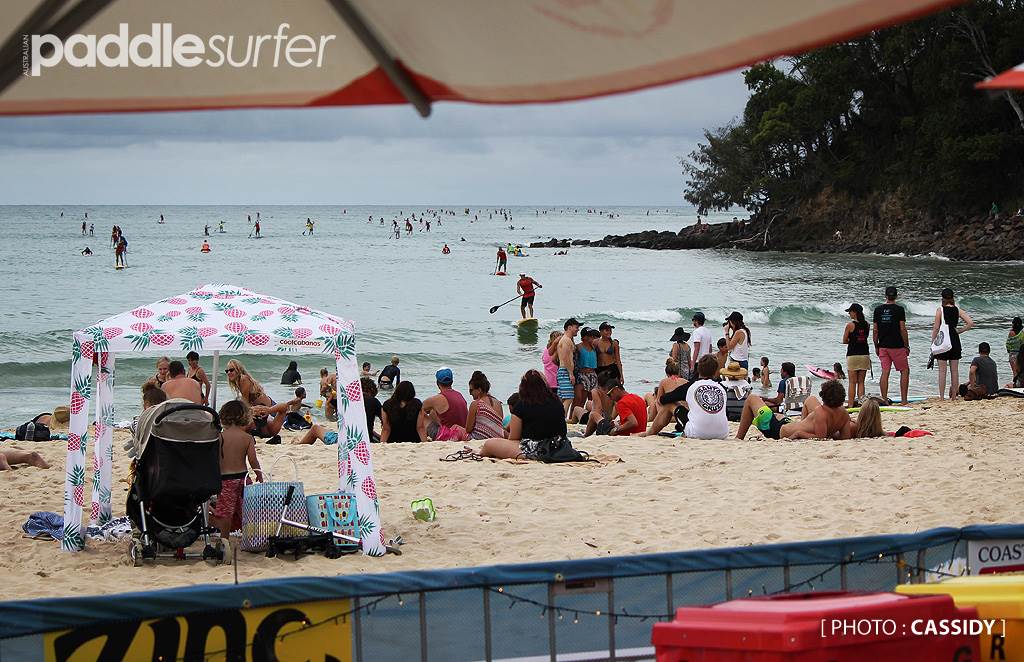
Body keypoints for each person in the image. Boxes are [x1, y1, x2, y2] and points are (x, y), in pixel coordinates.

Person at [479, 370, 567, 459]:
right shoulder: (557, 402)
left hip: (537, 449)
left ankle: (480, 453)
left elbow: (514, 438)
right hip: (560, 446)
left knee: (489, 444)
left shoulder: (521, 405)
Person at [210, 400, 262, 542]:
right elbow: (253, 460)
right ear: (245, 417)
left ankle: (225, 539)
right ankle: (251, 538)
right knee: (246, 509)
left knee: (225, 513)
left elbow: (214, 460)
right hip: (244, 479)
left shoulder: (219, 437)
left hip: (226, 480)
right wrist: (259, 474)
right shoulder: (247, 438)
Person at [737, 380, 852, 440]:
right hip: (787, 424)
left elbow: (820, 438)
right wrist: (831, 432)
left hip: (776, 431)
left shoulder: (821, 412)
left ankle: (739, 438)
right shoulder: (844, 415)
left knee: (751, 398)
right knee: (810, 399)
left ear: (823, 396)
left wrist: (800, 433)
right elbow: (845, 437)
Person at [931, 288, 974, 400]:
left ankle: (941, 397)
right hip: (955, 341)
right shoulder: (957, 310)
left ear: (942, 298)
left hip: (943, 342)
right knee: (954, 371)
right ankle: (954, 396)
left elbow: (936, 328)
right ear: (952, 297)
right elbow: (970, 323)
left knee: (942, 371)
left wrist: (933, 342)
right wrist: (959, 331)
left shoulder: (940, 310)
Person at [873, 286, 911, 405]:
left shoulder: (878, 310)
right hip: (897, 345)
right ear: (896, 296)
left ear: (885, 296)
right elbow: (902, 328)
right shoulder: (899, 309)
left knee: (885, 372)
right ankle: (904, 400)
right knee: (904, 371)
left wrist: (876, 345)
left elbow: (875, 330)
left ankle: (884, 399)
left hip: (883, 345)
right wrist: (906, 345)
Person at [422, 368, 470, 441]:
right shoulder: (459, 395)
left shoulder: (436, 399)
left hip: (449, 435)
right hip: (462, 433)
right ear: (452, 382)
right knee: (433, 412)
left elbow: (417, 408)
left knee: (420, 413)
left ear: (437, 383)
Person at [842, 303, 871, 407]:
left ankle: (850, 405)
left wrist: (852, 340)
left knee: (852, 382)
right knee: (861, 382)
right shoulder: (867, 324)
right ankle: (861, 403)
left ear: (854, 312)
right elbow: (865, 337)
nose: (849, 314)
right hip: (864, 354)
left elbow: (844, 340)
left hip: (853, 355)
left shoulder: (850, 325)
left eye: (850, 311)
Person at [465, 371, 505, 440]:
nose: (470, 393)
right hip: (497, 440)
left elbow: (468, 429)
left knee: (456, 429)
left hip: (480, 439)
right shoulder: (498, 403)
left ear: (479, 390)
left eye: (471, 390)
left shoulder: (476, 404)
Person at [557, 318, 582, 417]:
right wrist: (571, 374)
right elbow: (566, 357)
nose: (578, 329)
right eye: (576, 327)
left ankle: (557, 418)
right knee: (569, 398)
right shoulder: (566, 340)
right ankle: (561, 419)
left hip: (563, 371)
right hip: (565, 371)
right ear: (569, 327)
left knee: (562, 398)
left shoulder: (567, 339)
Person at [574, 327, 601, 408]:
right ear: (584, 337)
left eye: (592, 336)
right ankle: (573, 414)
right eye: (590, 336)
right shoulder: (578, 347)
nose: (592, 337)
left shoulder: (594, 347)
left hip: (593, 374)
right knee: (579, 399)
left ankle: (587, 414)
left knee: (592, 399)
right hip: (582, 374)